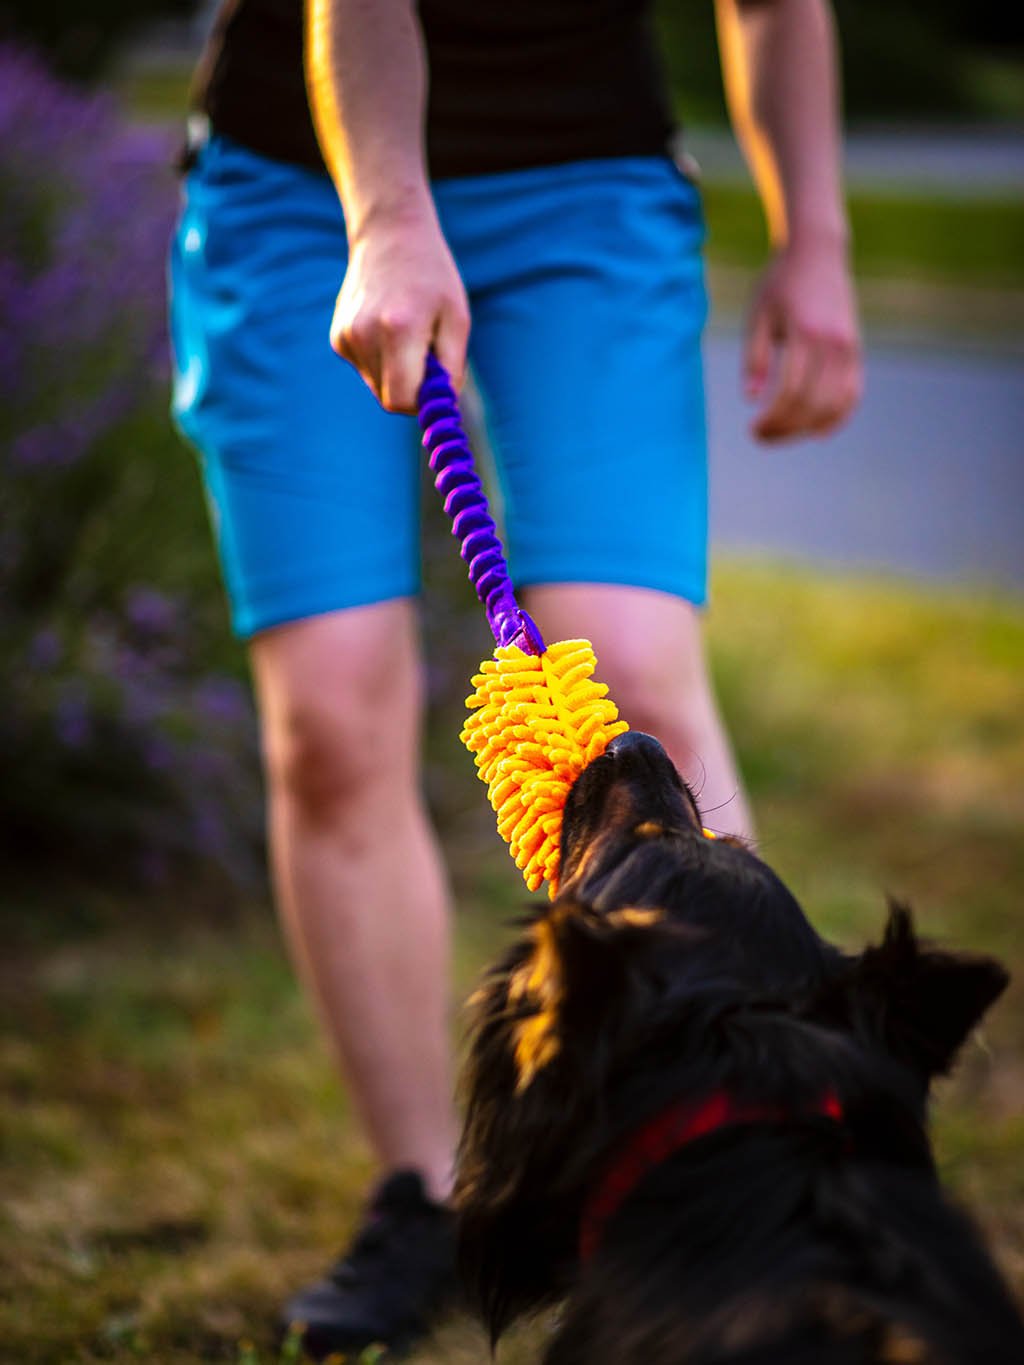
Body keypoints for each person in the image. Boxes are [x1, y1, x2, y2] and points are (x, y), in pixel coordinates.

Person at [169, 0, 862, 1356]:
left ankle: (718, 1172)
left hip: (586, 190)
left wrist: (817, 239)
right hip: (304, 175)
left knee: (641, 688)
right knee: (333, 719)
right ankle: (425, 1199)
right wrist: (384, 215)